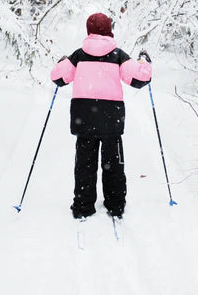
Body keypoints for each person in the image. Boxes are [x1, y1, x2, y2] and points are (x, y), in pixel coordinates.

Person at [50, 13, 152, 219]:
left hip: (84, 117)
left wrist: (62, 61)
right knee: (113, 162)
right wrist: (144, 61)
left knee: (85, 163)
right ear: (109, 30)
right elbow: (141, 78)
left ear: (89, 31)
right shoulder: (117, 55)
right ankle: (115, 204)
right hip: (110, 118)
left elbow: (58, 77)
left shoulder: (78, 55)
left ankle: (83, 205)